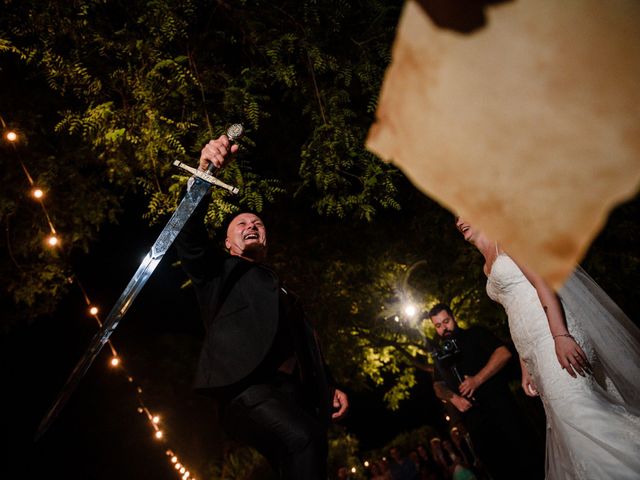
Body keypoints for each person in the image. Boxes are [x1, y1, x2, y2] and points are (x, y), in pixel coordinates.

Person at [174, 134, 349, 479]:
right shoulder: (216, 272)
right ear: (228, 242)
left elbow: (304, 345)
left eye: (258, 224)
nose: (251, 225)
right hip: (246, 389)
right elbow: (189, 238)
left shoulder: (283, 292)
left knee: (300, 456)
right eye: (241, 224)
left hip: (291, 393)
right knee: (305, 438)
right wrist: (204, 172)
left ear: (266, 240)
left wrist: (329, 385)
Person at [455, 217, 640, 479]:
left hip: (554, 335)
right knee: (569, 427)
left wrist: (560, 335)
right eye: (456, 216)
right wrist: (525, 365)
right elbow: (514, 312)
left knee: (581, 417)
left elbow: (542, 283)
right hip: (535, 352)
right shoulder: (486, 266)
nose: (460, 220)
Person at [428, 303, 541, 480]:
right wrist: (454, 398)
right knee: (498, 469)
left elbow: (504, 353)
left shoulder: (475, 333)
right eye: (438, 325)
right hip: (477, 425)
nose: (444, 328)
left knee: (528, 460)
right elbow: (437, 386)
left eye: (446, 321)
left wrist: (477, 380)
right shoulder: (440, 356)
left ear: (453, 318)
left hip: (503, 411)